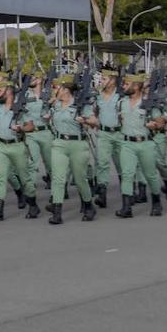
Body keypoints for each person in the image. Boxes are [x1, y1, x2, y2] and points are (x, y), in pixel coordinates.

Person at [0, 74, 40, 221]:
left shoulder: (20, 106)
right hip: (1, 146)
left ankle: (33, 204)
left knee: (24, 178)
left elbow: (31, 126)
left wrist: (21, 128)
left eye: (0, 89)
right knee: (0, 177)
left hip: (17, 146)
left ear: (8, 91)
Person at [46, 75, 97, 224]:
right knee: (58, 178)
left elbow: (94, 121)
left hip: (78, 144)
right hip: (59, 143)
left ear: (66, 90)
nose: (55, 90)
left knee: (80, 179)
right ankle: (57, 212)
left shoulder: (81, 105)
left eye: (58, 88)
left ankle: (88, 206)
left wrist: (85, 120)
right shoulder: (55, 105)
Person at [114, 72, 163, 217]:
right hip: (127, 143)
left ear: (136, 86)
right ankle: (126, 208)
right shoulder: (121, 103)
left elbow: (160, 122)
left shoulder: (148, 102)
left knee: (151, 175)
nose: (123, 86)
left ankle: (156, 202)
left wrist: (154, 125)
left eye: (126, 83)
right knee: (127, 174)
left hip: (145, 143)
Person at [91, 70, 124, 208]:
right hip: (104, 134)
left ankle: (127, 192)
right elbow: (95, 111)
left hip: (119, 134)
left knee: (121, 164)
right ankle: (102, 194)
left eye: (104, 79)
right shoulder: (98, 95)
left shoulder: (121, 95)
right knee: (102, 163)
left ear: (112, 80)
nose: (102, 82)